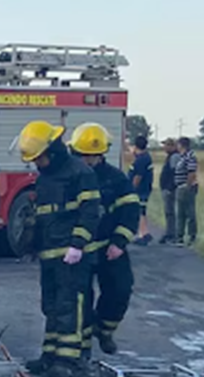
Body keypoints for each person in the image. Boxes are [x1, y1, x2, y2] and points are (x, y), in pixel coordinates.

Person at [16, 120, 102, 377]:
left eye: (38, 158)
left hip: (71, 254)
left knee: (69, 306)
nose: (36, 164)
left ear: (52, 152)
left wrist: (77, 244)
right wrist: (32, 242)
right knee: (51, 305)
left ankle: (68, 360)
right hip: (50, 253)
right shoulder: (46, 177)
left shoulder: (80, 173)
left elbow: (90, 212)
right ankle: (50, 354)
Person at [68, 123, 140, 356]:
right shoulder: (70, 178)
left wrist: (119, 241)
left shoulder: (116, 179)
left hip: (108, 248)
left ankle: (105, 329)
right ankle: (83, 348)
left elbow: (130, 211)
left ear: (102, 153)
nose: (88, 161)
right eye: (83, 155)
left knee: (120, 289)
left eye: (93, 156)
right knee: (82, 300)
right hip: (79, 250)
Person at [128, 135, 154, 245]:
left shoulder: (140, 160)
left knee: (140, 211)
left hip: (140, 190)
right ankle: (144, 232)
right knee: (141, 210)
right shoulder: (145, 157)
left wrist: (131, 189)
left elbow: (138, 177)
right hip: (145, 189)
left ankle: (143, 234)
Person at [173, 137, 199, 246]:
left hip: (186, 187)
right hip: (180, 186)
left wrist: (187, 186)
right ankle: (180, 236)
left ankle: (192, 236)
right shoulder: (182, 157)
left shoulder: (190, 156)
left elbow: (191, 173)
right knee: (180, 213)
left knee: (189, 212)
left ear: (181, 145)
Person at [159, 138, 179, 244]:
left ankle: (172, 234)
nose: (164, 147)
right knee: (168, 212)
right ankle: (169, 232)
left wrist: (170, 188)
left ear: (172, 146)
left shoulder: (174, 157)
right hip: (167, 188)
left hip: (170, 189)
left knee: (170, 212)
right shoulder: (170, 156)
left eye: (166, 145)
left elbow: (174, 173)